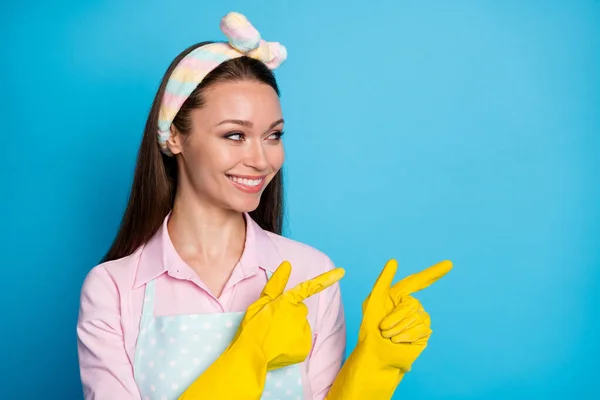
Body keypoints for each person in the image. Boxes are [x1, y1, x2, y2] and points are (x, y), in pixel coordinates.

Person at [77, 11, 453, 400]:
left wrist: (373, 366)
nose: (262, 159)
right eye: (235, 134)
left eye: (273, 135)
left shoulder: (311, 275)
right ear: (174, 136)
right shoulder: (115, 289)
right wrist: (249, 355)